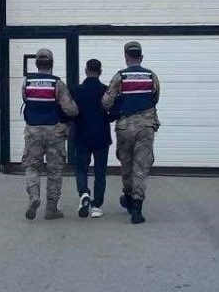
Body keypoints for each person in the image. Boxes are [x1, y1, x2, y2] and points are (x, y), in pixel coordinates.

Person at [101, 41, 160, 224]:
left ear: (126, 57)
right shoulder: (151, 76)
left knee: (126, 164)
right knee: (141, 167)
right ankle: (137, 208)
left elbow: (106, 102)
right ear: (141, 57)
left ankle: (127, 196)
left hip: (125, 126)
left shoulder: (120, 76)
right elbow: (155, 98)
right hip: (146, 126)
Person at [21, 47, 78, 220]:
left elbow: (25, 100)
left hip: (32, 131)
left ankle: (34, 197)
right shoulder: (57, 83)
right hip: (54, 132)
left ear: (37, 64)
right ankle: (51, 209)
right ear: (51, 64)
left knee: (31, 166)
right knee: (54, 171)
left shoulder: (27, 82)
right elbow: (69, 109)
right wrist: (76, 110)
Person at [68, 57, 111, 218]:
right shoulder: (106, 91)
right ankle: (97, 205)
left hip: (81, 135)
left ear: (86, 71)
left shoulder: (76, 91)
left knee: (81, 169)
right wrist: (107, 118)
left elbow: (70, 112)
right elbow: (113, 110)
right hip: (101, 137)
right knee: (100, 172)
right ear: (100, 72)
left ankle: (84, 194)